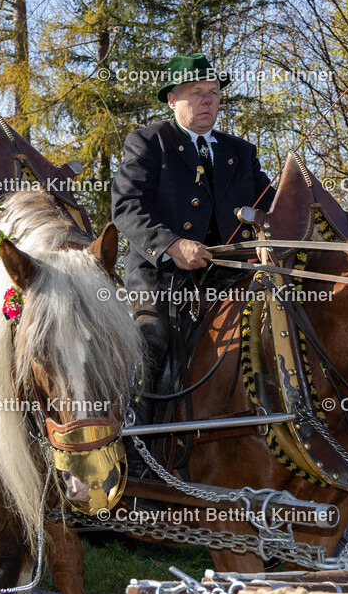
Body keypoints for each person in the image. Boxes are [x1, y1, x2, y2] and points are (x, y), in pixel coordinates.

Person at [112, 53, 275, 433]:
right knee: (150, 344)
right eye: (197, 92)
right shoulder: (149, 143)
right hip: (161, 281)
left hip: (231, 277)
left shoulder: (241, 152)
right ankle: (137, 447)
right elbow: (126, 207)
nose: (208, 101)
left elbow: (270, 205)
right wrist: (171, 246)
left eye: (214, 93)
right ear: (172, 99)